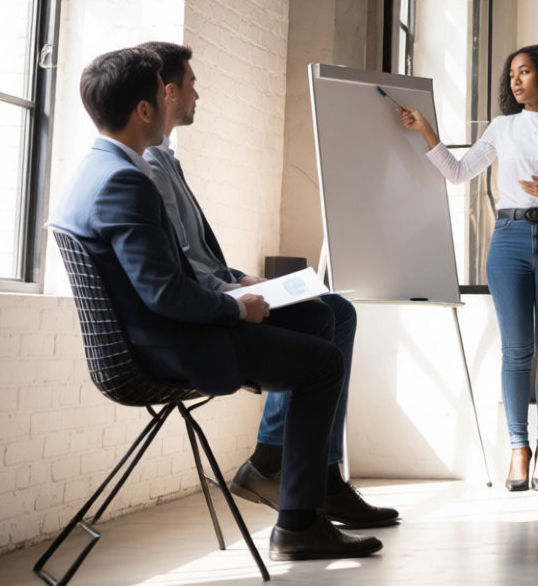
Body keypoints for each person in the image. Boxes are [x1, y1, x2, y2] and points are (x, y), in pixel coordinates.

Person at [51, 47, 381, 560]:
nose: (172, 98)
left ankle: (293, 483)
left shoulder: (96, 171)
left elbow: (165, 279)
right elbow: (165, 292)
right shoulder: (126, 181)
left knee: (318, 322)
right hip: (169, 349)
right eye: (163, 91)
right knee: (324, 363)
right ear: (145, 109)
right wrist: (237, 309)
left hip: (158, 338)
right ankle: (297, 523)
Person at [136, 41, 397, 528]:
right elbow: (177, 271)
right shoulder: (146, 167)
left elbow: (192, 253)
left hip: (217, 292)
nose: (198, 94)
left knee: (334, 309)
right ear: (167, 93)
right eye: (192, 84)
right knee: (325, 319)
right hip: (199, 319)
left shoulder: (166, 159)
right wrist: (233, 292)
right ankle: (295, 471)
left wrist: (239, 277)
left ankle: (297, 467)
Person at [397, 44, 538, 492]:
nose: (515, 80)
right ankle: (518, 449)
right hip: (507, 241)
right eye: (511, 75)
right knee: (514, 352)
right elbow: (457, 172)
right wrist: (426, 130)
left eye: (524, 72)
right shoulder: (503, 128)